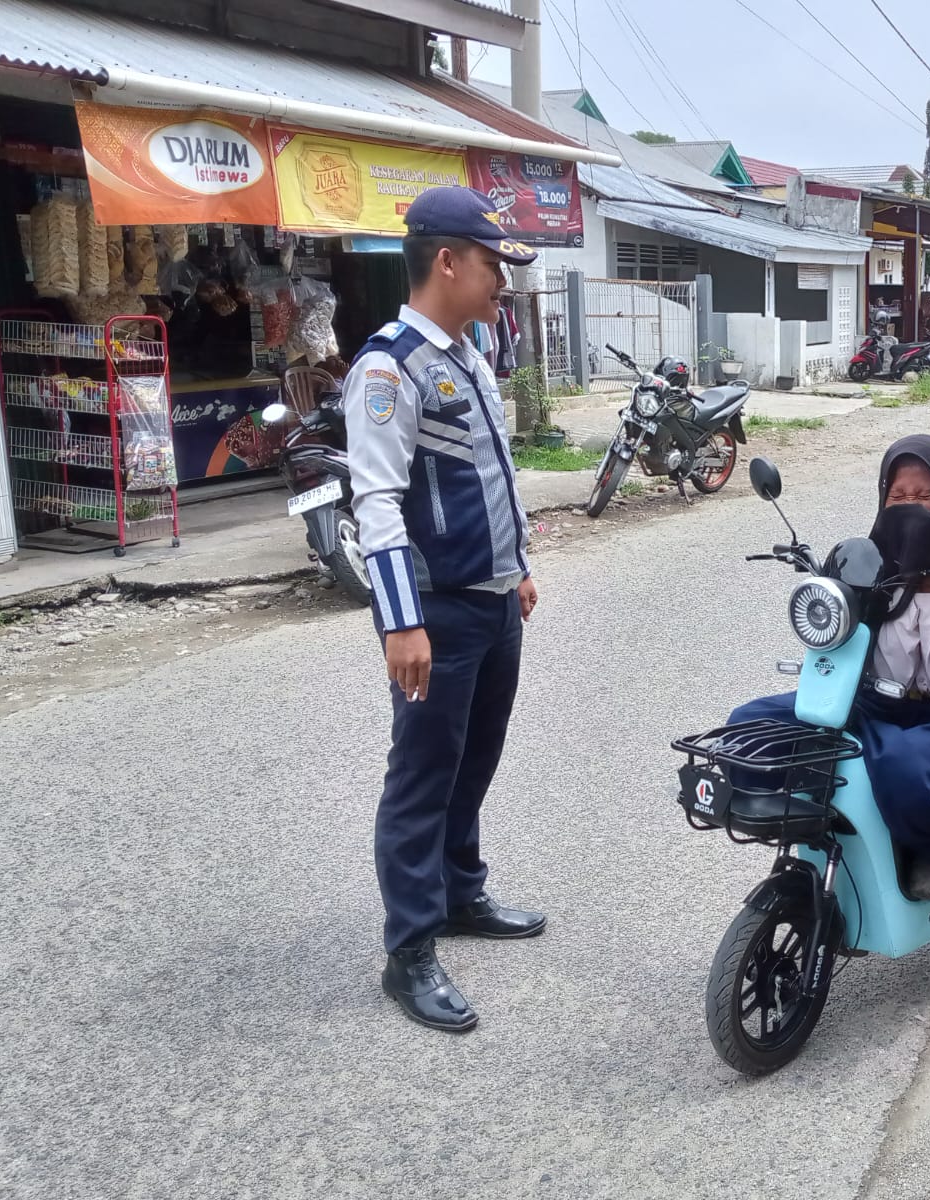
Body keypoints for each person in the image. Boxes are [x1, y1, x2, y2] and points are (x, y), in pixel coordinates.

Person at [344, 186, 544, 1033]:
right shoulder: (389, 368)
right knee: (423, 776)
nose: (504, 280)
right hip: (436, 611)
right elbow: (378, 504)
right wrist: (399, 621)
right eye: (494, 264)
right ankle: (411, 950)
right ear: (449, 261)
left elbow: (490, 473)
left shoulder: (464, 355)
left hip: (492, 603)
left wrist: (519, 566)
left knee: (474, 761)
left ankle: (461, 893)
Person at [727, 436, 930, 902]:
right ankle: (822, 826)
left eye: (925, 496)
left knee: (902, 767)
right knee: (748, 726)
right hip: (880, 707)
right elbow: (861, 659)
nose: (910, 507)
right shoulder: (868, 559)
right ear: (882, 496)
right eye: (898, 496)